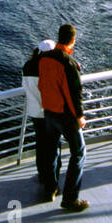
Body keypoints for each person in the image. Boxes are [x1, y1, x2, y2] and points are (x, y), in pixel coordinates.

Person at [39, 23, 89, 211]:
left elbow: (42, 85)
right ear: (73, 41)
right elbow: (74, 93)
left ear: (59, 37)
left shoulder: (44, 58)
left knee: (52, 150)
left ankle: (50, 188)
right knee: (78, 153)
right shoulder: (68, 63)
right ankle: (70, 199)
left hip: (49, 113)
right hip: (65, 116)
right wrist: (80, 116)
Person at [23, 39, 61, 201]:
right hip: (50, 113)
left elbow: (27, 87)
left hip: (35, 113)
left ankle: (42, 176)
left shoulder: (27, 66)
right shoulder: (51, 67)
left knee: (40, 144)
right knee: (53, 148)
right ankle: (52, 186)